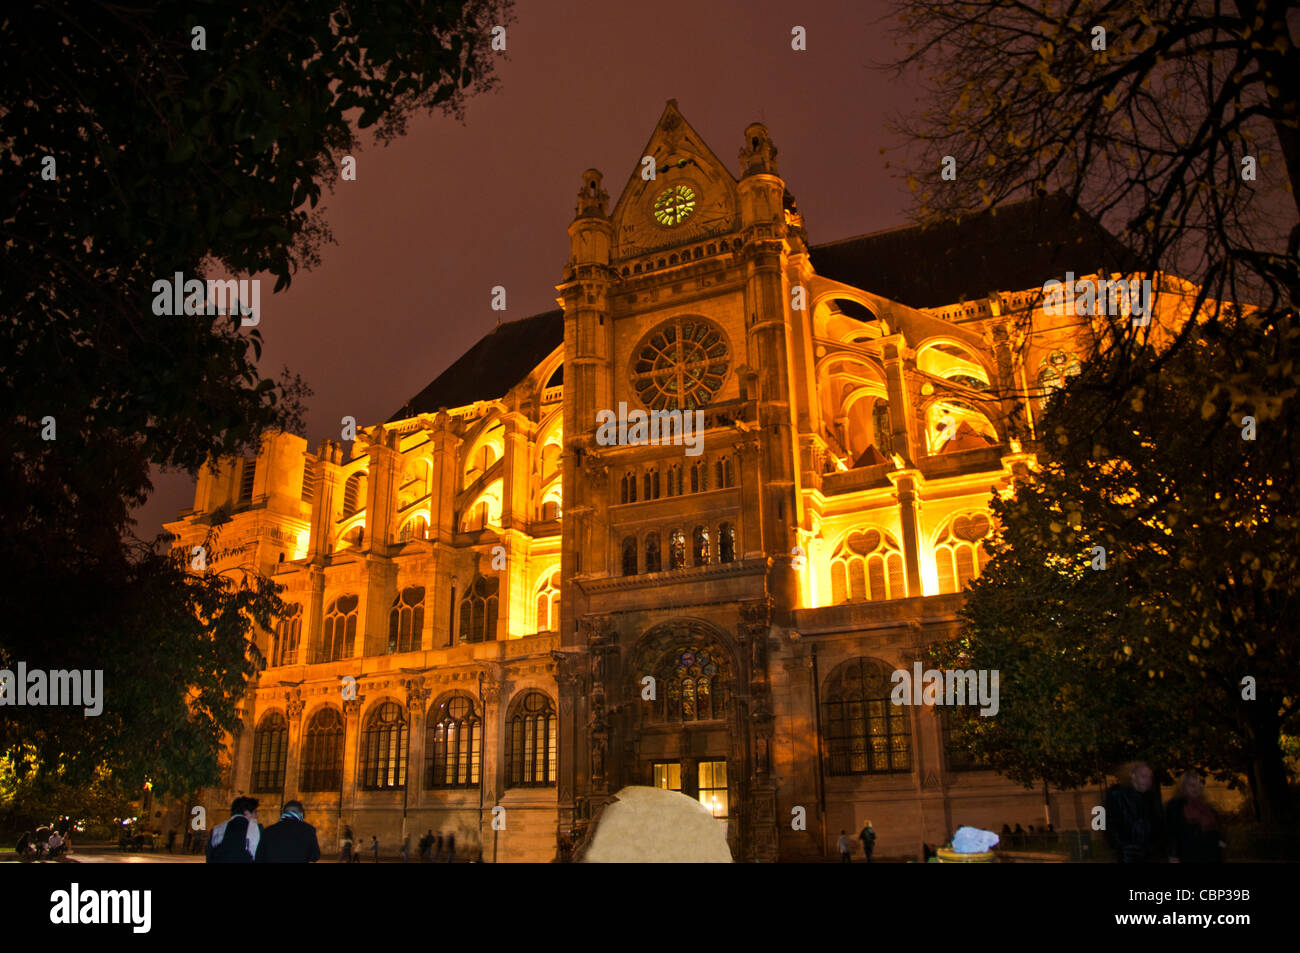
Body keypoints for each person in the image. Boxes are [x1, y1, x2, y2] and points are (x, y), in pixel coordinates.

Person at [1105, 761, 1166, 863]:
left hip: (1151, 854)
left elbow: (1160, 824)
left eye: (1150, 777)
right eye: (1144, 776)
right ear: (1133, 776)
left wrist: (1157, 846)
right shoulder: (1117, 794)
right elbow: (1108, 823)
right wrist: (1121, 846)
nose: (1148, 780)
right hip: (1129, 855)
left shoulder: (1151, 797)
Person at [1166, 771, 1225, 863]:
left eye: (1197, 784)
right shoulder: (1175, 807)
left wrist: (1220, 842)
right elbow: (1171, 832)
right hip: (1188, 854)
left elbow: (1217, 829)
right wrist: (1173, 854)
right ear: (1183, 787)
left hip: (1210, 854)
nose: (1195, 788)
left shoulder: (1207, 807)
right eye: (1191, 785)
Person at [255, 801, 321, 863]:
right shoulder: (308, 830)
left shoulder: (268, 831)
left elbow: (259, 857)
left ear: (283, 813)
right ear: (301, 814)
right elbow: (315, 856)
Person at [206, 797, 260, 863]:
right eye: (255, 812)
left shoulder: (217, 829)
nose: (257, 815)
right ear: (246, 813)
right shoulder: (255, 828)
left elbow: (209, 856)